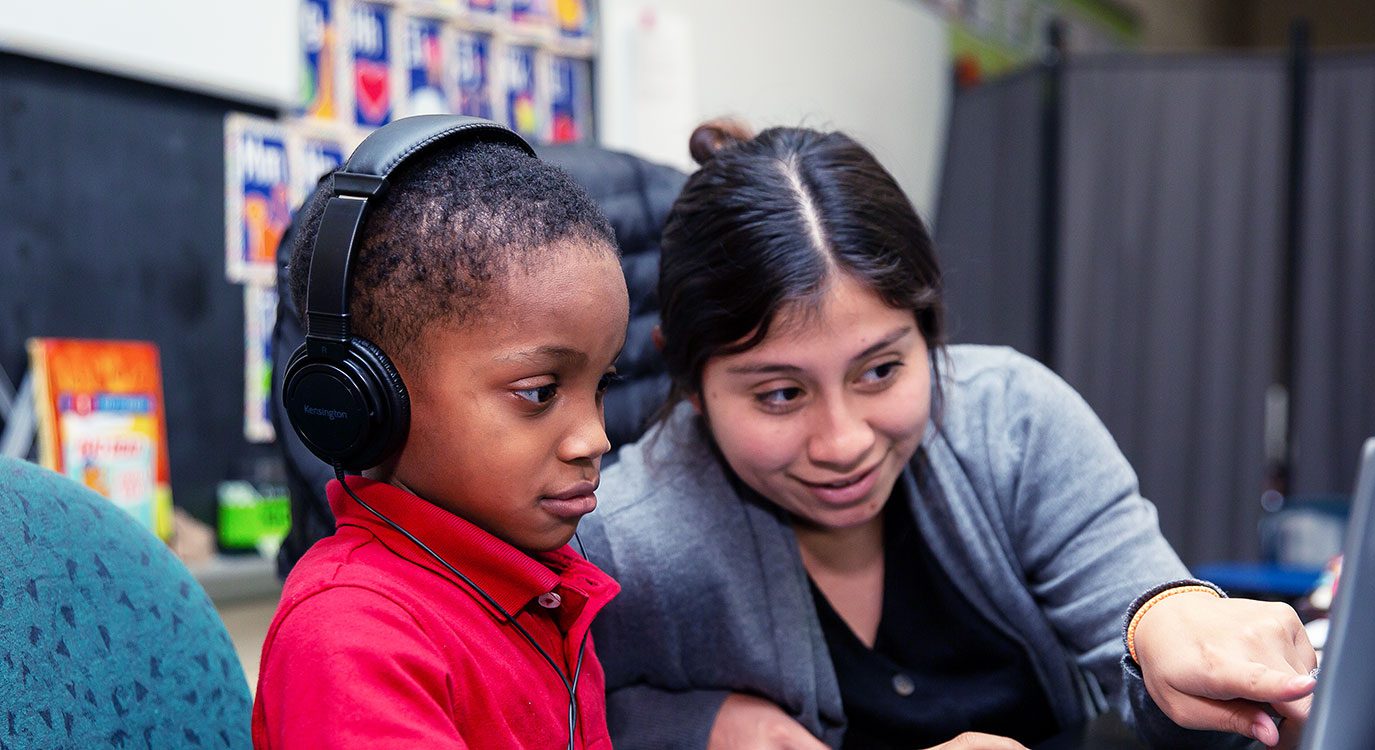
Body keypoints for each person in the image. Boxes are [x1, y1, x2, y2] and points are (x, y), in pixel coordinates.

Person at [577, 121, 1317, 750]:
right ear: (689, 376)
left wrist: (1173, 627)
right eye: (780, 394)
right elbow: (546, 715)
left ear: (929, 335)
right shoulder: (620, 544)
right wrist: (692, 723)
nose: (843, 442)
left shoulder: (1010, 421)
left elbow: (1133, 592)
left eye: (880, 372)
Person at [252, 120, 627, 748]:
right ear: (366, 396)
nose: (594, 439)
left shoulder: (544, 587)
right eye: (538, 392)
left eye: (603, 387)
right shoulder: (354, 634)